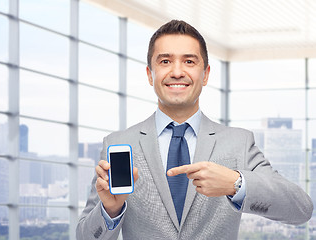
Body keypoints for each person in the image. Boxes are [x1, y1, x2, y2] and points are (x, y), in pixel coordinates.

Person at [76, 20, 313, 240]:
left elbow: (301, 209)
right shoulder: (117, 143)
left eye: (189, 61)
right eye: (165, 61)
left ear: (206, 74)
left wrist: (236, 183)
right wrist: (110, 209)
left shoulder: (239, 142)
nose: (177, 72)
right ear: (150, 74)